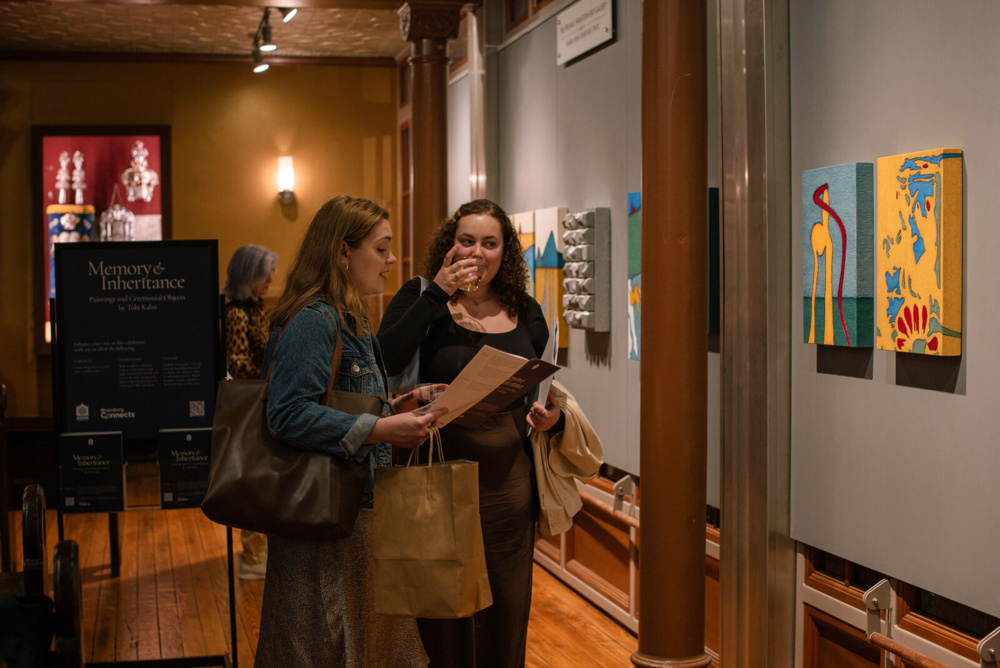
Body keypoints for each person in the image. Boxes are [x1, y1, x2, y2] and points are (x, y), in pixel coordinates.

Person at [254, 195, 446, 667]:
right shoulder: (313, 320)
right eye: (381, 249)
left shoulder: (351, 318)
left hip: (355, 517)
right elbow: (289, 413)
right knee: (325, 647)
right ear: (344, 252)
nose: (392, 261)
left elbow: (339, 399)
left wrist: (405, 402)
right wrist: (382, 428)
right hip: (323, 525)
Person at [378, 199, 564, 668]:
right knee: (444, 615)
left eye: (489, 242)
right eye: (466, 240)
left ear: (505, 251)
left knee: (507, 611)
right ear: (450, 244)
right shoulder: (422, 297)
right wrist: (438, 293)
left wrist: (550, 419)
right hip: (438, 476)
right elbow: (386, 360)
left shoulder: (525, 310)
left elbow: (541, 388)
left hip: (508, 483)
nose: (477, 251)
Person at [221, 244, 277, 580]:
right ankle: (253, 558)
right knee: (254, 481)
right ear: (248, 275)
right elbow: (238, 365)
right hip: (251, 405)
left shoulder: (256, 309)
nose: (271, 278)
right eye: (265, 272)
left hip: (264, 402)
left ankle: (260, 554)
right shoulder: (238, 314)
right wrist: (272, 376)